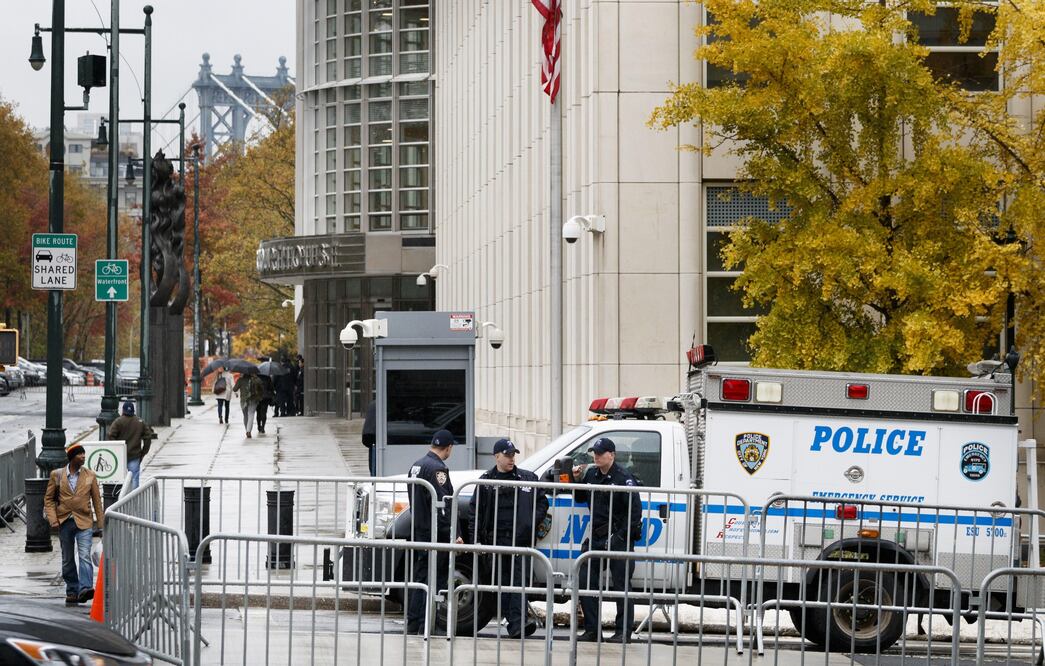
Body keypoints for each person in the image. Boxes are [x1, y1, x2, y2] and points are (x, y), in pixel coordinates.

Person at [471, 438, 548, 638]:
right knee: (502, 583)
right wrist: (475, 540)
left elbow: (542, 503)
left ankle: (518, 624)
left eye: (513, 455)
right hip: (496, 540)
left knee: (518, 583)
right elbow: (475, 511)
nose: (511, 459)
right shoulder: (486, 481)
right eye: (507, 455)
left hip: (519, 540)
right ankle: (514, 623)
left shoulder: (527, 478)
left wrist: (531, 522)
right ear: (496, 456)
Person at [572, 437, 642, 644]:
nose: (596, 456)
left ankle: (623, 633)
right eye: (595, 453)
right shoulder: (592, 474)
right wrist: (576, 480)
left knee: (621, 586)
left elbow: (634, 514)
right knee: (585, 580)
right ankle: (593, 630)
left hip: (618, 536)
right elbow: (580, 498)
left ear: (612, 455)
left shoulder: (623, 478)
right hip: (596, 536)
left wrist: (619, 538)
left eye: (601, 453)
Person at [406, 429, 463, 634]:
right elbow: (443, 504)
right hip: (435, 533)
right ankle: (426, 625)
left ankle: (413, 623)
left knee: (421, 580)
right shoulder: (438, 469)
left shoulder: (417, 465)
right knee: (434, 580)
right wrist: (452, 533)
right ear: (448, 448)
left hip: (420, 530)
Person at [44, 443, 105, 605]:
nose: (84, 457)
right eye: (80, 455)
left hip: (84, 521)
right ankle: (72, 589)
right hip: (64, 522)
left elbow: (97, 502)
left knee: (84, 555)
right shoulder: (56, 475)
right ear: (72, 458)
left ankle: (85, 588)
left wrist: (101, 525)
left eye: (84, 454)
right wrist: (53, 519)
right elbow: (49, 499)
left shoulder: (90, 475)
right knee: (67, 559)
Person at [107, 400, 155, 490]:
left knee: (119, 478)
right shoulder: (140, 422)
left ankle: (120, 498)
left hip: (120, 455)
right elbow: (148, 437)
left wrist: (116, 448)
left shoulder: (118, 421)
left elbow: (110, 435)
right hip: (135, 455)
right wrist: (143, 452)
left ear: (123, 410)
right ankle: (134, 500)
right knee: (134, 479)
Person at [232, 371, 263, 438]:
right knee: (251, 414)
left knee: (245, 416)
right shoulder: (256, 379)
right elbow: (261, 388)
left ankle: (247, 430)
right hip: (254, 399)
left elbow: (234, 389)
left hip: (244, 401)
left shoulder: (240, 380)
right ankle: (248, 431)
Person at [256, 370, 275, 435]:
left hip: (257, 397)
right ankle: (263, 427)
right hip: (265, 397)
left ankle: (258, 426)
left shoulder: (256, 378)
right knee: (264, 412)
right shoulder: (268, 378)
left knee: (258, 412)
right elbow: (271, 388)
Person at [361, 401, 377, 476]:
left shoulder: (373, 404)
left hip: (371, 438)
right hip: (375, 438)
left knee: (373, 467)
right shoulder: (383, 404)